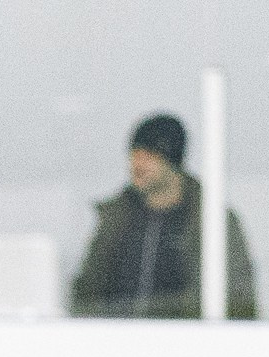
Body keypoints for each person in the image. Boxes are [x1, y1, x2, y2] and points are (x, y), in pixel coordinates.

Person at [69, 112, 256, 320]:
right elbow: (86, 291)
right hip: (115, 346)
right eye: (134, 154)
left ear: (172, 161)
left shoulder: (211, 221)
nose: (137, 164)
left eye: (150, 155)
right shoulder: (116, 217)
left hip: (187, 346)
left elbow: (238, 299)